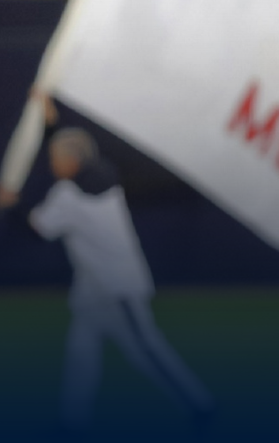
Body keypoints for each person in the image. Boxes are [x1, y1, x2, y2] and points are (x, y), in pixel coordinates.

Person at [11, 102, 216, 438]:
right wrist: (51, 126)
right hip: (93, 287)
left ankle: (201, 406)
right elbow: (72, 154)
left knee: (146, 348)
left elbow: (38, 227)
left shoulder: (69, 195)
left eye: (55, 158)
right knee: (81, 351)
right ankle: (72, 423)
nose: (51, 164)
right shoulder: (101, 172)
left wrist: (12, 203)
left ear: (72, 162)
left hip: (117, 286)